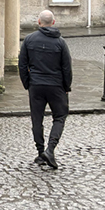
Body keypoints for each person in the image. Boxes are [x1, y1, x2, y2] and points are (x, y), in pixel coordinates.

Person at [19, 9, 72, 169]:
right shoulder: (60, 42)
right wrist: (67, 86)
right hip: (56, 85)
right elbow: (67, 67)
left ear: (39, 22)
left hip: (36, 84)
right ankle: (50, 149)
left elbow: (22, 65)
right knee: (60, 117)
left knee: (37, 119)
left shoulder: (29, 40)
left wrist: (27, 83)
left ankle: (41, 151)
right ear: (53, 22)